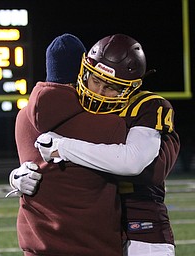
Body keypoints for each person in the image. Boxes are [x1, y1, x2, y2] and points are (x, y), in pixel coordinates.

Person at [34, 34, 180, 256]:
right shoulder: (76, 104)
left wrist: (63, 147)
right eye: (95, 80)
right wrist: (25, 171)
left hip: (141, 229)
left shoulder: (147, 106)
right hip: (98, 231)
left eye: (110, 86)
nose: (98, 92)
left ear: (130, 88)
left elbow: (133, 162)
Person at [8, 33, 128, 255]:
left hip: (37, 247)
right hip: (93, 246)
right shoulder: (109, 124)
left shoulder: (22, 118)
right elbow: (147, 170)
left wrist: (13, 178)